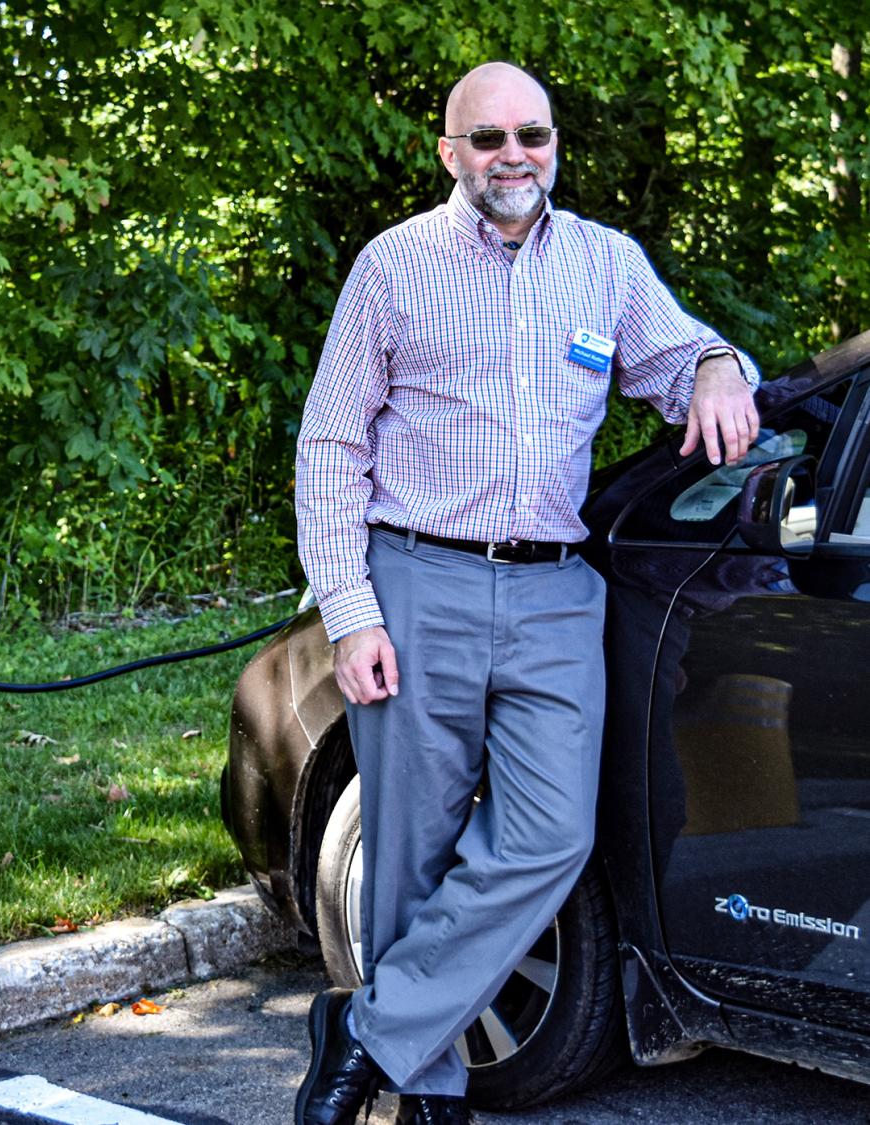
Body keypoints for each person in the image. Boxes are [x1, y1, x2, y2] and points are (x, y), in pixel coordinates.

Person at [292, 61, 760, 1125]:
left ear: (555, 145)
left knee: (553, 835)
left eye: (534, 135)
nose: (515, 155)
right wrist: (352, 611)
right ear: (450, 152)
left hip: (555, 594)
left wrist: (719, 365)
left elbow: (680, 355)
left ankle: (366, 1030)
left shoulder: (606, 264)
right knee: (410, 846)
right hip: (419, 579)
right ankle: (432, 1091)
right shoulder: (394, 266)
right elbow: (328, 447)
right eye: (490, 136)